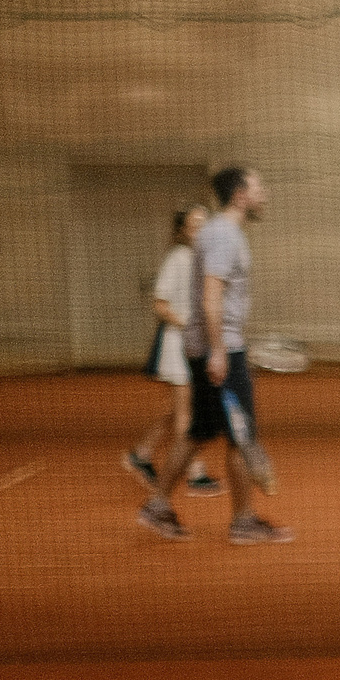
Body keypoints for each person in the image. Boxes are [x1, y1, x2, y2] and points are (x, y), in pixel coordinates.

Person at [138, 165, 291, 545]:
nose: (265, 194)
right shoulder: (224, 235)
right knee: (242, 435)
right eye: (259, 187)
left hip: (203, 347)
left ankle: (157, 507)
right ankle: (243, 522)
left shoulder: (219, 232)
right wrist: (220, 352)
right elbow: (210, 297)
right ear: (240, 194)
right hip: (218, 349)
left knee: (199, 432)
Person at [124, 203, 222, 497]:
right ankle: (194, 473)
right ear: (183, 231)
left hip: (195, 343)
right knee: (186, 413)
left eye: (205, 223)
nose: (201, 229)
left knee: (179, 409)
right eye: (195, 225)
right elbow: (160, 304)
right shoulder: (177, 258)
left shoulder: (206, 260)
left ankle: (140, 455)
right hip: (177, 345)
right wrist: (189, 324)